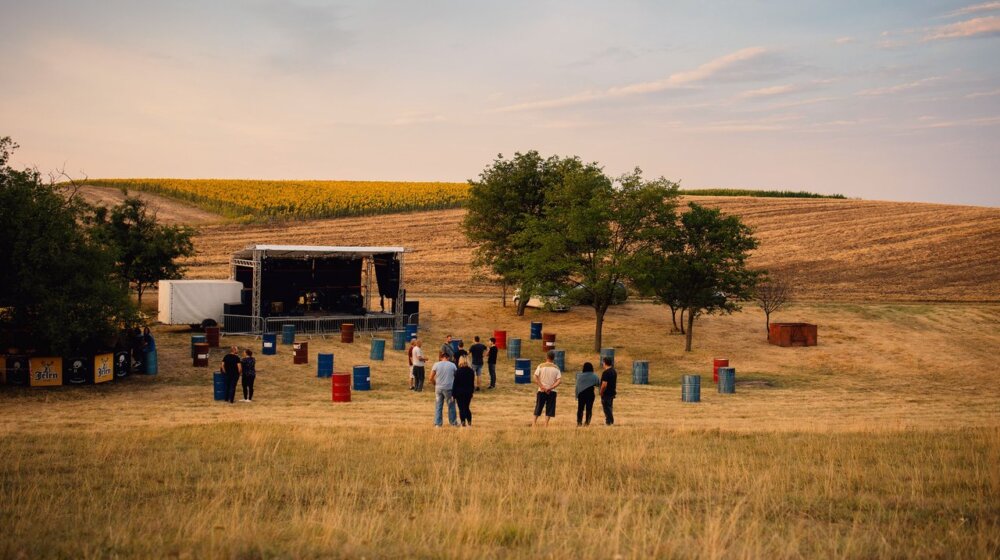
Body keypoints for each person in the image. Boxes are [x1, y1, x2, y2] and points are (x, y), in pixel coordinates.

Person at [533, 350, 562, 427]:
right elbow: (559, 381)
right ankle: (546, 424)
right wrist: (551, 387)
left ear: (547, 357)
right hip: (552, 391)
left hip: (541, 390)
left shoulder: (540, 366)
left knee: (538, 406)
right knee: (550, 408)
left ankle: (534, 423)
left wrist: (542, 386)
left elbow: (535, 377)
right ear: (554, 358)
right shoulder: (556, 368)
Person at [430, 352, 458, 427]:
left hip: (438, 388)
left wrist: (435, 384)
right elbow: (456, 377)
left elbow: (431, 378)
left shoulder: (436, 364)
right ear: (448, 358)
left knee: (438, 406)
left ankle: (438, 423)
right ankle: (453, 423)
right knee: (451, 405)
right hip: (449, 388)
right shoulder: (452, 365)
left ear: (441, 358)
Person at [453, 356, 476, 427]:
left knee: (461, 408)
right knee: (466, 407)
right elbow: (472, 383)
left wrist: (453, 394)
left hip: (459, 392)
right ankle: (469, 421)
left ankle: (463, 422)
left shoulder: (458, 371)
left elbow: (455, 383)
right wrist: (472, 392)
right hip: (468, 392)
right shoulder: (471, 371)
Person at [575, 362, 599, 427]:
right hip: (590, 394)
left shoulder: (579, 375)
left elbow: (577, 384)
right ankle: (587, 423)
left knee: (580, 409)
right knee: (589, 409)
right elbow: (598, 384)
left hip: (581, 394)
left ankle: (579, 422)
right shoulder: (594, 376)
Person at [600, 356, 617, 425]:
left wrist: (601, 392)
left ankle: (609, 422)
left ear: (605, 363)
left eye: (603, 362)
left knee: (607, 409)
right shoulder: (614, 371)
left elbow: (604, 384)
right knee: (609, 408)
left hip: (606, 393)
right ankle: (609, 421)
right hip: (612, 392)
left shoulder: (606, 372)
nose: (602, 364)